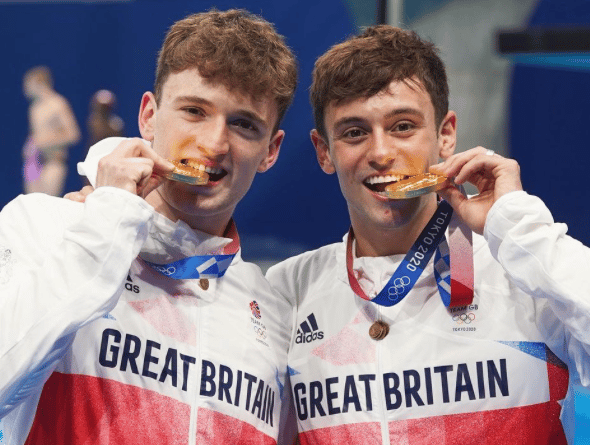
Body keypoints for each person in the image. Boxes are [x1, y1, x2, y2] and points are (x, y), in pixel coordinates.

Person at [265, 26, 590, 444]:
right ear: (324, 151)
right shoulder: (287, 291)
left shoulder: (521, 272)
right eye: (354, 132)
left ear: (445, 135)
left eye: (402, 126)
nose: (380, 153)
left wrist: (517, 224)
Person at [0, 9, 297, 444]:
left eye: (243, 124)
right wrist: (108, 223)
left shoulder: (272, 312)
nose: (214, 145)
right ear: (148, 117)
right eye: (194, 111)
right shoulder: (45, 227)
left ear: (270, 151)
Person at [22, 66, 81, 196]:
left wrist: (45, 142)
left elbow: (73, 135)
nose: (25, 88)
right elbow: (36, 135)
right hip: (34, 162)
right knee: (31, 204)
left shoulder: (57, 104)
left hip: (53, 162)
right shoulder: (34, 108)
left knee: (46, 203)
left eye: (28, 83)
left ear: (39, 83)